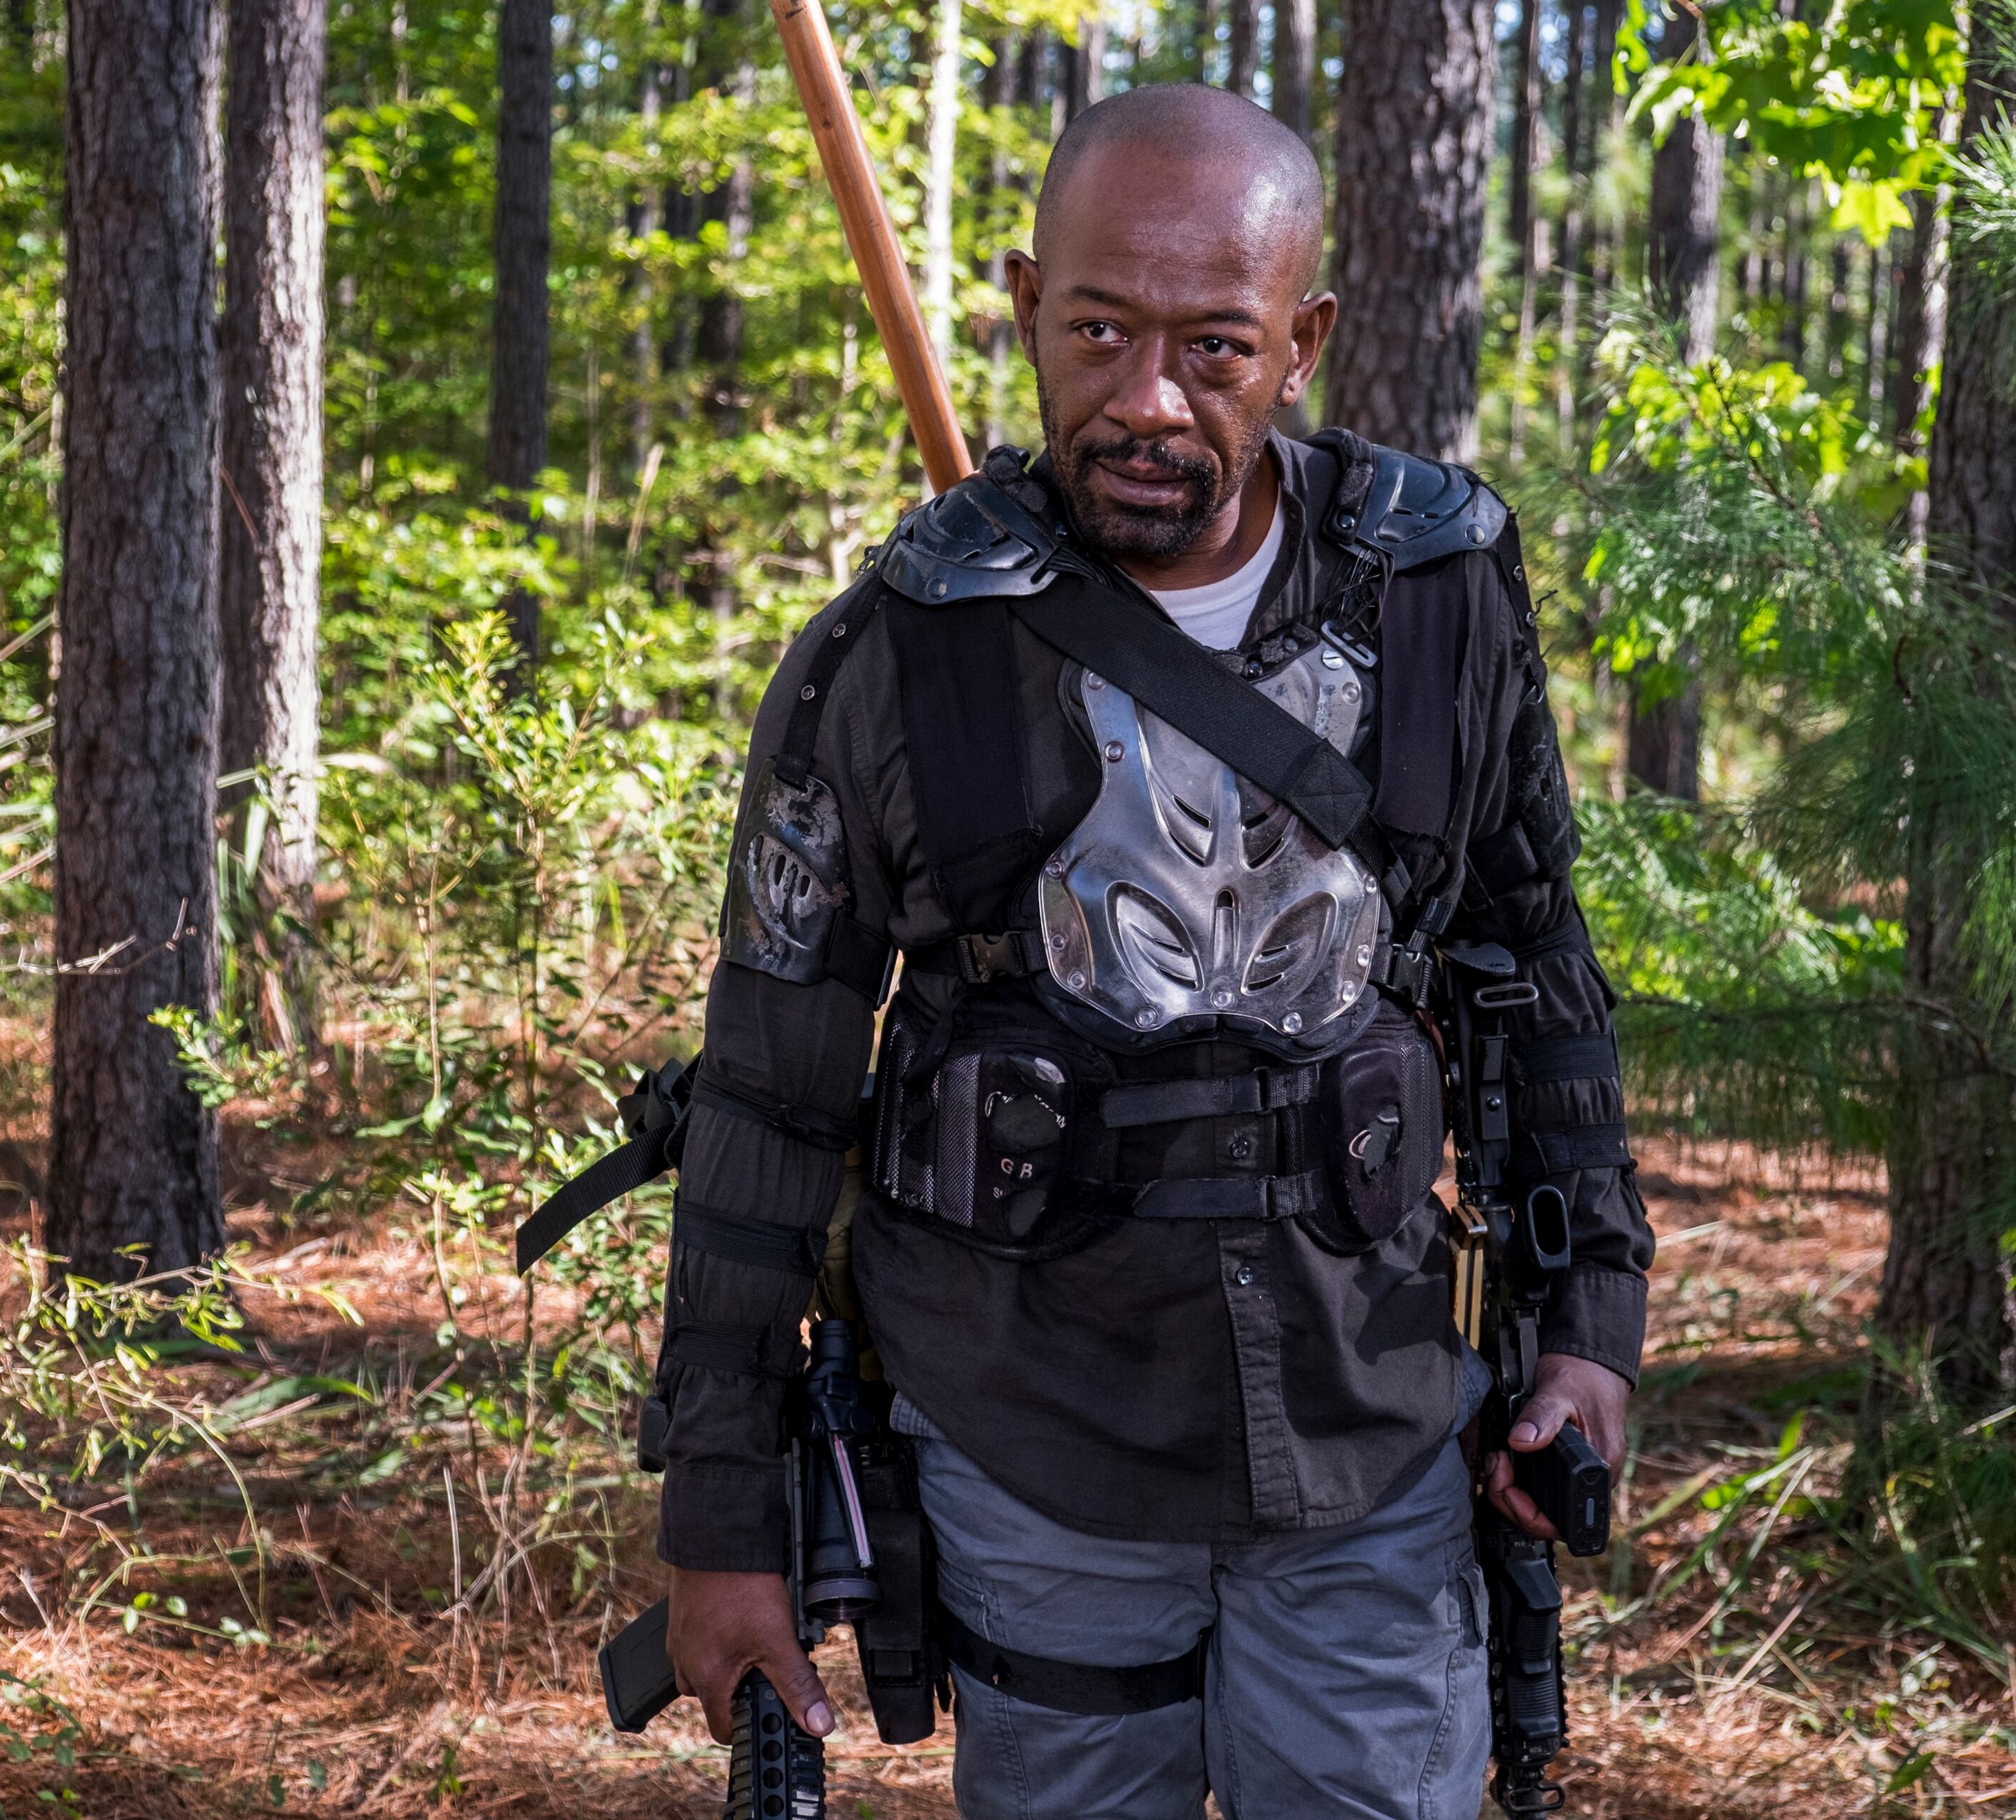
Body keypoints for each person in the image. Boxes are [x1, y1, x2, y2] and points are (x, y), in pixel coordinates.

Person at [649, 83, 1654, 1820]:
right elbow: (762, 1104)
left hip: (1374, 1408)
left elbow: (1532, 969)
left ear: (1307, 339)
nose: (1146, 400)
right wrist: (723, 1519)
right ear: (1025, 301)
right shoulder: (892, 655)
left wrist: (1592, 1324)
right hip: (1030, 1423)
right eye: (1098, 329)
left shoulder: (1440, 595)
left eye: (1216, 345)